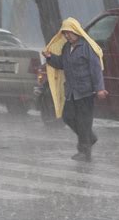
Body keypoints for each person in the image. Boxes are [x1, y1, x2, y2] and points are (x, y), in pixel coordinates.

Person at [42, 17, 108, 162]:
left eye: (69, 33)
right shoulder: (66, 48)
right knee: (68, 116)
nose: (67, 36)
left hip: (86, 91)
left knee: (84, 122)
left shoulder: (87, 47)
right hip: (72, 91)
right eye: (65, 34)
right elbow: (62, 64)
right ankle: (90, 138)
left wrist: (100, 89)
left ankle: (84, 152)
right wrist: (50, 57)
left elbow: (96, 69)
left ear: (76, 31)